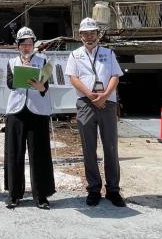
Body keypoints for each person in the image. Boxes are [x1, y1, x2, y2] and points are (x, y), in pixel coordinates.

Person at [65, 17, 126, 207]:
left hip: (107, 103)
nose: (89, 36)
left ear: (98, 35)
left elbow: (115, 75)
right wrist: (91, 96)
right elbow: (73, 77)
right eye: (85, 33)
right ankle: (93, 189)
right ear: (80, 36)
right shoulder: (75, 55)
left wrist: (105, 95)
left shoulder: (108, 53)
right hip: (85, 103)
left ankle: (113, 190)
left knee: (110, 147)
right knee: (88, 148)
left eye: (92, 33)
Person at [4, 27, 55, 210]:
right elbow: (10, 83)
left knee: (39, 154)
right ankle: (13, 194)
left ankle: (41, 196)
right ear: (17, 46)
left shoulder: (44, 61)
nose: (26, 47)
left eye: (29, 44)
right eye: (23, 44)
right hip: (16, 111)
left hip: (38, 111)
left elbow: (46, 87)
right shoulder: (11, 62)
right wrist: (23, 69)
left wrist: (41, 86)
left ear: (34, 45)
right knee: (14, 153)